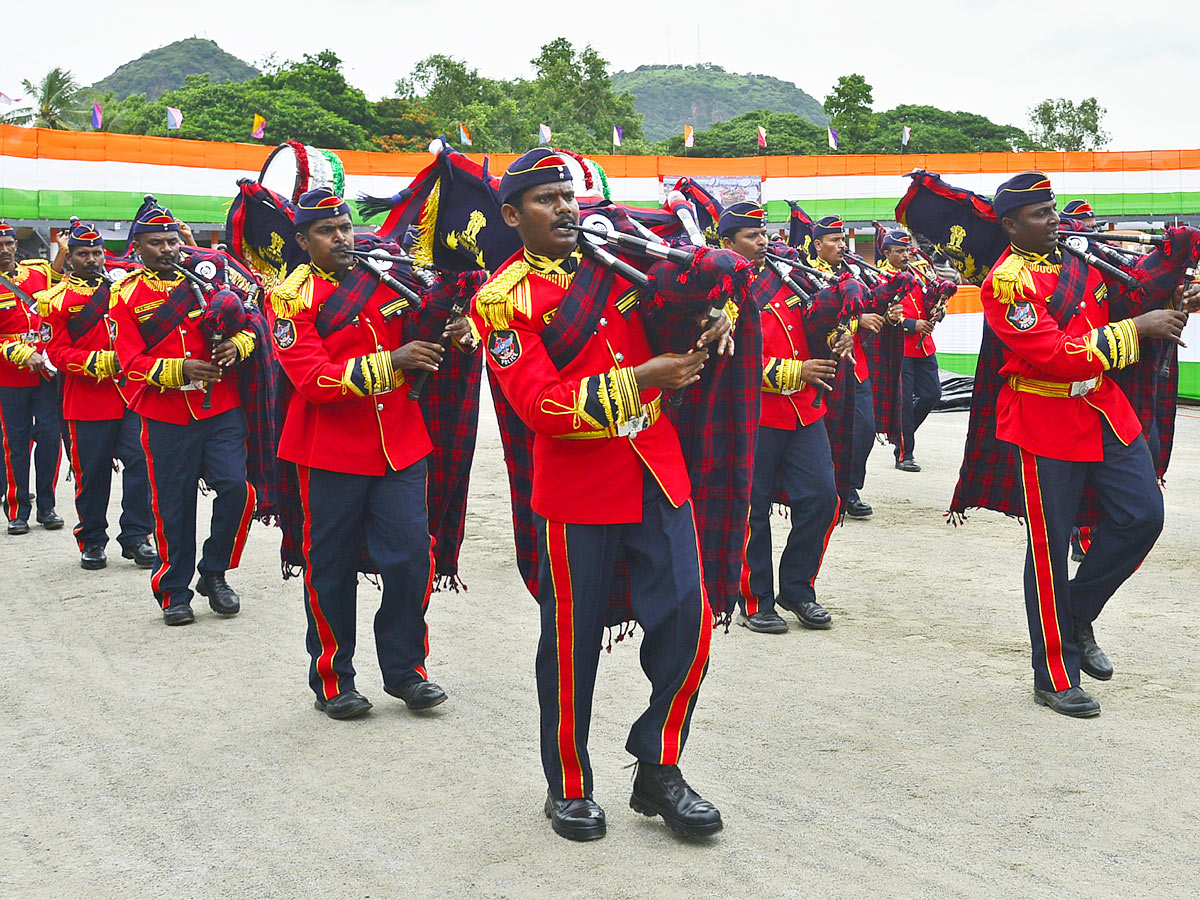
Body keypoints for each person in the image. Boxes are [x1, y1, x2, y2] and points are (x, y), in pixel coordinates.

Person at [474, 148, 730, 841]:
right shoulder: (502, 299)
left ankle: (660, 766)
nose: (563, 209)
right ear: (511, 215)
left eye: (568, 195)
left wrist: (715, 316)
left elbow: (685, 302)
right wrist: (647, 376)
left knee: (690, 622)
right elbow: (540, 406)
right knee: (571, 642)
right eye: (544, 199)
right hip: (579, 483)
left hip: (655, 466)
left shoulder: (619, 255)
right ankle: (569, 784)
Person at [981, 171, 1191, 717]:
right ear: (1010, 224)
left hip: (1102, 408)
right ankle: (1053, 674)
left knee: (1143, 518)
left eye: (1053, 210)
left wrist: (1174, 294)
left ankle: (1076, 613)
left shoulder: (1076, 258)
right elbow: (1055, 354)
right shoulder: (1005, 283)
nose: (1053, 220)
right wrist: (1138, 329)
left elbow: (1128, 300)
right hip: (1045, 416)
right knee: (1049, 552)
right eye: (1040, 214)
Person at [266, 187, 451, 720]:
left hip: (399, 444)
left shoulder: (381, 272)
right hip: (329, 450)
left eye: (345, 226)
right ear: (303, 240)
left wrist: (453, 329)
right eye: (327, 231)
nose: (343, 237)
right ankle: (332, 677)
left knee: (413, 558)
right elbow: (313, 379)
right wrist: (393, 361)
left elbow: (420, 326)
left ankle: (406, 671)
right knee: (330, 566)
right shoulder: (289, 296)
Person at [109, 203, 257, 626]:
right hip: (166, 413)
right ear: (137, 247)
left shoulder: (211, 281)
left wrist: (237, 347)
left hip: (222, 407)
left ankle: (215, 572)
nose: (167, 249)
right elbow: (129, 362)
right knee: (173, 506)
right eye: (156, 242)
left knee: (236, 489)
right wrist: (179, 370)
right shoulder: (126, 296)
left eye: (172, 241)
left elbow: (250, 325)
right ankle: (174, 589)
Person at [721, 202, 839, 634]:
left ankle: (797, 588)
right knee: (752, 509)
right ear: (727, 243)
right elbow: (730, 358)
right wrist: (794, 372)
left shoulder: (786, 274)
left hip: (803, 411)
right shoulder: (721, 285)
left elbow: (810, 325)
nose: (762, 242)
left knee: (823, 498)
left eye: (763, 233)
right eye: (752, 236)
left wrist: (835, 336)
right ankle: (754, 598)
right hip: (754, 414)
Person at [39, 222, 157, 570]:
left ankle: (137, 536)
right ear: (70, 257)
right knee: (92, 474)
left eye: (96, 252)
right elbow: (57, 352)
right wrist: (104, 361)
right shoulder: (54, 300)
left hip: (130, 396)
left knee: (141, 465)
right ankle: (91, 538)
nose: (91, 259)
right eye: (82, 254)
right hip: (87, 400)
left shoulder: (124, 287)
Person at [809, 216, 887, 519]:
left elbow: (873, 302)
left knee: (865, 428)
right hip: (827, 363)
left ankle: (850, 486)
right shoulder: (808, 274)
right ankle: (835, 490)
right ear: (818, 245)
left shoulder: (857, 272)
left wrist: (887, 313)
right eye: (834, 240)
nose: (842, 245)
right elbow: (814, 314)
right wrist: (859, 319)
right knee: (830, 429)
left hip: (857, 364)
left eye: (843, 240)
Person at [0, 221, 65, 534]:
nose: (4, 250)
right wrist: (21, 353)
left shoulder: (36, 271)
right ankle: (17, 508)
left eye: (8, 244)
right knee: (16, 443)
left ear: (15, 244)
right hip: (10, 377)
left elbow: (59, 290)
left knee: (51, 439)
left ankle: (47, 506)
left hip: (47, 372)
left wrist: (64, 251)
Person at [877, 229, 947, 471]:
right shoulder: (881, 278)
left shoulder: (918, 273)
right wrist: (911, 325)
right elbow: (882, 314)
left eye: (907, 250)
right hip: (901, 348)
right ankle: (905, 454)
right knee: (904, 403)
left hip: (924, 347)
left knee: (932, 395)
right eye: (899, 251)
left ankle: (899, 432)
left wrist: (938, 311)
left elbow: (930, 300)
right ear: (886, 253)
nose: (906, 255)